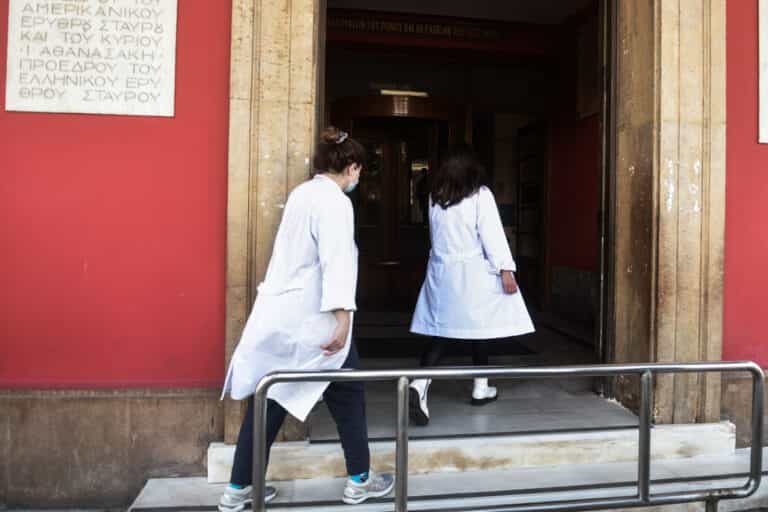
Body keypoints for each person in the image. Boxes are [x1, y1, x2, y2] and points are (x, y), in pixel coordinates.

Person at [219, 127, 394, 510]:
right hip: (317, 321)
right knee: (348, 395)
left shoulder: (302, 194)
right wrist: (343, 318)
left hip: (282, 317)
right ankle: (360, 480)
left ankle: (237, 489)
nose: (359, 177)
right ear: (352, 167)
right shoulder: (335, 203)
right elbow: (336, 261)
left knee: (270, 399)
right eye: (360, 171)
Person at [408, 145, 535, 426]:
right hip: (472, 272)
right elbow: (492, 234)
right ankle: (432, 383)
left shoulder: (435, 198)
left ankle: (470, 385)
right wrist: (506, 269)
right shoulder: (480, 195)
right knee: (480, 325)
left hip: (442, 273)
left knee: (446, 331)